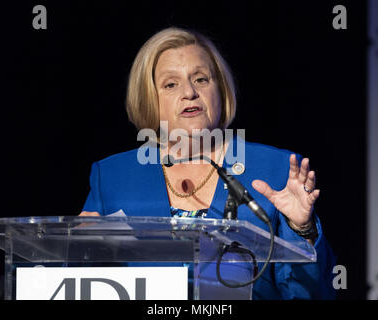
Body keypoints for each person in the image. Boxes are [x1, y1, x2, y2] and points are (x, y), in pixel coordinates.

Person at [79, 27, 336, 299]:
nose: (189, 92)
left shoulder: (274, 168)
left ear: (220, 90)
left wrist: (301, 230)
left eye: (201, 79)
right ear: (149, 99)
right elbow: (82, 280)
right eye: (170, 84)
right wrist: (80, 248)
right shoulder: (113, 177)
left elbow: (310, 293)